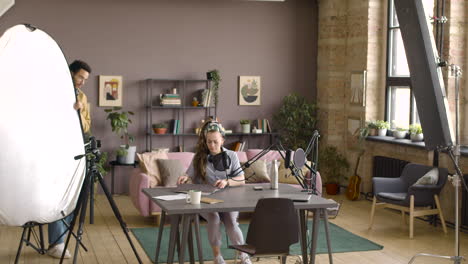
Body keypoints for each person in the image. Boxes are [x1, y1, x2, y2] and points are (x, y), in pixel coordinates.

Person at [177, 121, 251, 264]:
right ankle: (217, 257)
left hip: (229, 199)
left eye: (215, 142)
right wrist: (184, 177)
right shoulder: (199, 157)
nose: (212, 145)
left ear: (222, 140)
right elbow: (189, 175)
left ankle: (244, 256)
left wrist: (227, 181)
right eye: (209, 142)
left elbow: (241, 179)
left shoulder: (232, 156)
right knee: (214, 218)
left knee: (231, 222)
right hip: (207, 200)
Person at [47, 60, 92, 259]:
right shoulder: (54, 91)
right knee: (57, 196)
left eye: (85, 79)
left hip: (75, 152)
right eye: (80, 77)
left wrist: (79, 111)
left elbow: (86, 127)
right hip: (55, 151)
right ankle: (57, 243)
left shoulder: (82, 97)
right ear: (71, 73)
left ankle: (61, 239)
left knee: (73, 195)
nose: (82, 82)